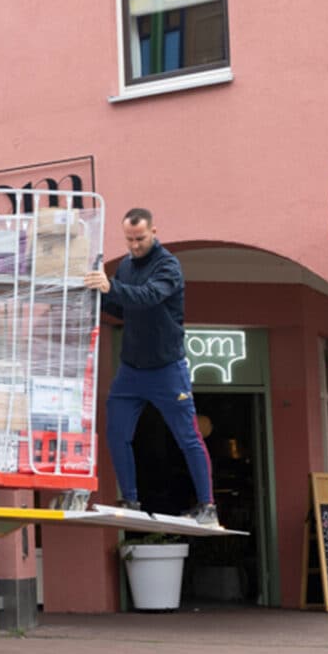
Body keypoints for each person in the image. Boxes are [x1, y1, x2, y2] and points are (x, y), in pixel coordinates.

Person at [83, 208, 218, 527]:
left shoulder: (168, 266)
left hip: (167, 369)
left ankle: (207, 506)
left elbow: (148, 296)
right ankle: (129, 498)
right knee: (116, 431)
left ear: (154, 231)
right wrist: (94, 293)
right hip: (131, 368)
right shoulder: (128, 267)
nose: (134, 246)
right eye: (129, 240)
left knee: (188, 436)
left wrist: (111, 287)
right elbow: (121, 306)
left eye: (140, 239)